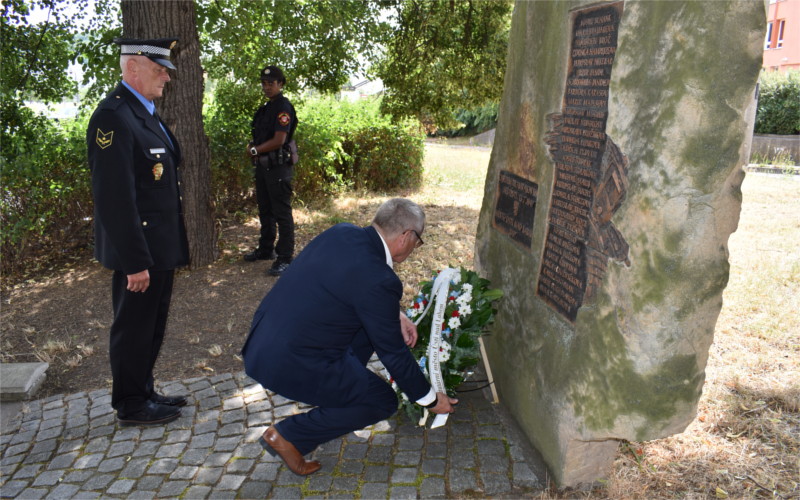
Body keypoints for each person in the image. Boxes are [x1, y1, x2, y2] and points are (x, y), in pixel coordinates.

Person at [242, 198, 458, 475]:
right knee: (381, 401)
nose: (416, 248)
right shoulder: (380, 278)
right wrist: (428, 398)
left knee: (367, 332)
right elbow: (393, 352)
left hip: (265, 342)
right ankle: (289, 435)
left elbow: (348, 286)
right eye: (419, 241)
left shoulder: (341, 232)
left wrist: (395, 314)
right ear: (407, 236)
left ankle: (340, 397)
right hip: (293, 361)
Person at [87, 37, 189, 426]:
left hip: (159, 245)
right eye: (159, 68)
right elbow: (114, 199)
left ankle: (143, 389)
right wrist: (134, 261)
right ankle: (130, 404)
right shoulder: (113, 117)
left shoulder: (143, 111)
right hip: (140, 251)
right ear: (132, 67)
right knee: (133, 327)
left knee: (152, 323)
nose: (166, 75)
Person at [243, 65, 298, 277]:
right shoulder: (266, 108)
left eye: (271, 83)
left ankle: (285, 257)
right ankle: (266, 250)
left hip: (278, 168)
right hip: (263, 166)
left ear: (281, 84)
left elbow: (279, 139)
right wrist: (254, 148)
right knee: (265, 210)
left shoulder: (283, 107)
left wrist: (255, 149)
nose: (267, 87)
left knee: (281, 212)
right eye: (264, 84)